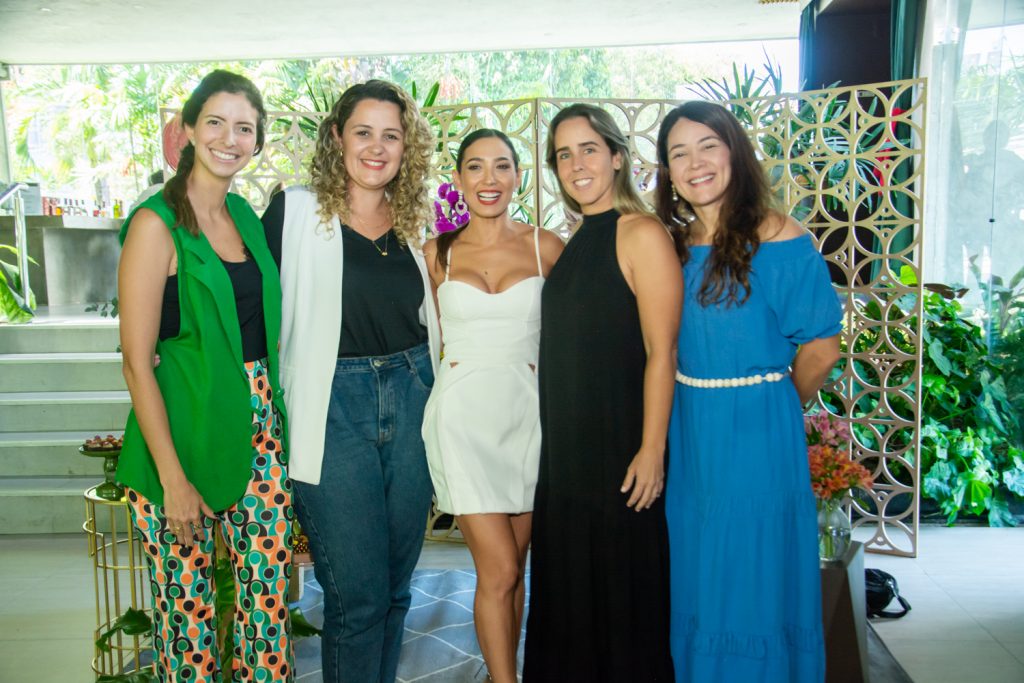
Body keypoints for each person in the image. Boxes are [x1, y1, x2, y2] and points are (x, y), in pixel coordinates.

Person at [655, 100, 841, 682]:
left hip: (759, 432)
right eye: (678, 153)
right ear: (667, 171)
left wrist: (777, 403)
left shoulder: (780, 237)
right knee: (699, 567)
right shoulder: (672, 244)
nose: (695, 163)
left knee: (752, 569)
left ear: (734, 150)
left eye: (708, 145)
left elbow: (821, 348)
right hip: (689, 431)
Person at [260, 80, 438, 683]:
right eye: (363, 132)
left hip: (415, 396)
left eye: (391, 135)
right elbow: (247, 302)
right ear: (337, 137)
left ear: (406, 146)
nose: (376, 147)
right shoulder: (295, 211)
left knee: (394, 592)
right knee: (356, 597)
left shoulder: (416, 220)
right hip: (331, 403)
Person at [117, 70, 293, 682]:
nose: (229, 138)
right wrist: (172, 478)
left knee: (267, 609)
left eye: (244, 127)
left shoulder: (246, 215)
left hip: (261, 430)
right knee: (187, 623)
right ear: (187, 131)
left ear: (257, 141)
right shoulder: (154, 224)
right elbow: (137, 360)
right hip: (182, 436)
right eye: (214, 122)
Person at [523, 104, 681, 682]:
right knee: (572, 606)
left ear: (618, 156)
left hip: (619, 456)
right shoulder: (576, 241)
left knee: (620, 605)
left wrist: (651, 450)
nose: (576, 163)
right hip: (566, 460)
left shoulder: (640, 233)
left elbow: (662, 353)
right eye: (563, 154)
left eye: (589, 148)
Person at [421, 129, 563, 683]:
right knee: (498, 568)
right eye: (475, 167)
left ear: (518, 177)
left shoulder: (544, 246)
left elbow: (579, 329)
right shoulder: (438, 254)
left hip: (529, 418)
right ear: (457, 179)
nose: (489, 179)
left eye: (501, 166)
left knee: (514, 569)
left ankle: (505, 670)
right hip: (461, 422)